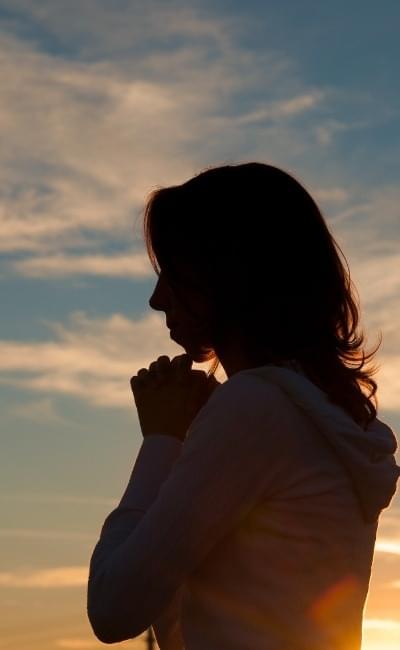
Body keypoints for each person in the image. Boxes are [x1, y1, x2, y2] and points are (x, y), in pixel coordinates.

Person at [86, 162, 400, 649]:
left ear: (225, 273)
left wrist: (161, 438)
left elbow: (113, 606)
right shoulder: (323, 411)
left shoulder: (255, 407)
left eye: (173, 273)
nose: (156, 298)